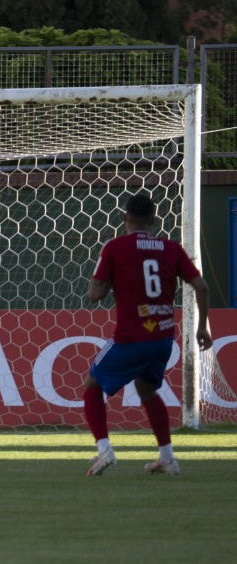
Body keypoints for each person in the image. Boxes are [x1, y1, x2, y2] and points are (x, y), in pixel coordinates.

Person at [82, 192, 211, 477]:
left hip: (130, 338)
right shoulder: (171, 248)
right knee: (146, 389)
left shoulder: (114, 247)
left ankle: (104, 450)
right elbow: (201, 287)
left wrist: (103, 280)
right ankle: (167, 458)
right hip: (163, 340)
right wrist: (202, 327)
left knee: (91, 385)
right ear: (153, 219)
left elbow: (95, 294)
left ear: (124, 217)